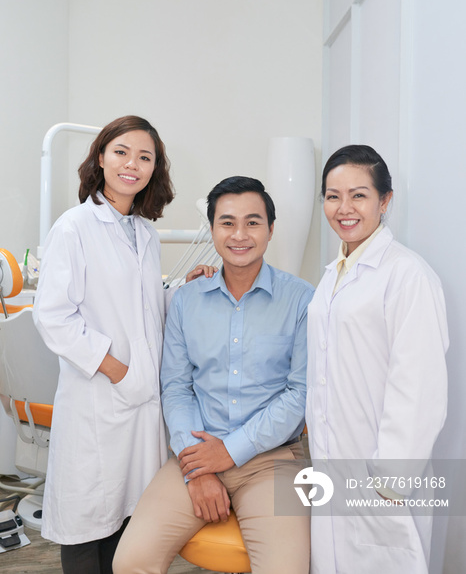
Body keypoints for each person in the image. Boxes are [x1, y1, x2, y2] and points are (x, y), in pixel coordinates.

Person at [33, 115, 214, 574]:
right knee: (85, 519)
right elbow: (53, 316)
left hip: (140, 404)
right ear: (101, 157)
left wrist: (182, 290)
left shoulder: (143, 232)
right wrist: (116, 369)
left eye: (145, 157)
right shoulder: (75, 227)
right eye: (121, 152)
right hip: (99, 397)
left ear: (155, 168)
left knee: (127, 519)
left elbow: (143, 309)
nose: (132, 164)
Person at [113, 176, 315, 574]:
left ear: (271, 230)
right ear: (212, 230)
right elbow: (176, 387)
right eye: (227, 222)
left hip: (273, 460)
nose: (240, 234)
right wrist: (197, 467)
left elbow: (301, 393)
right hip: (195, 453)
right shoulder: (187, 301)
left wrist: (231, 450)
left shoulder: (303, 300)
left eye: (253, 222)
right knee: (130, 562)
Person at [306, 145, 449, 574]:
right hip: (333, 460)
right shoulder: (333, 274)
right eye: (332, 196)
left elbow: (418, 384)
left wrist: (390, 477)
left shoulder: (408, 276)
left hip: (381, 470)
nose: (344, 208)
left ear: (385, 201)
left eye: (359, 195)